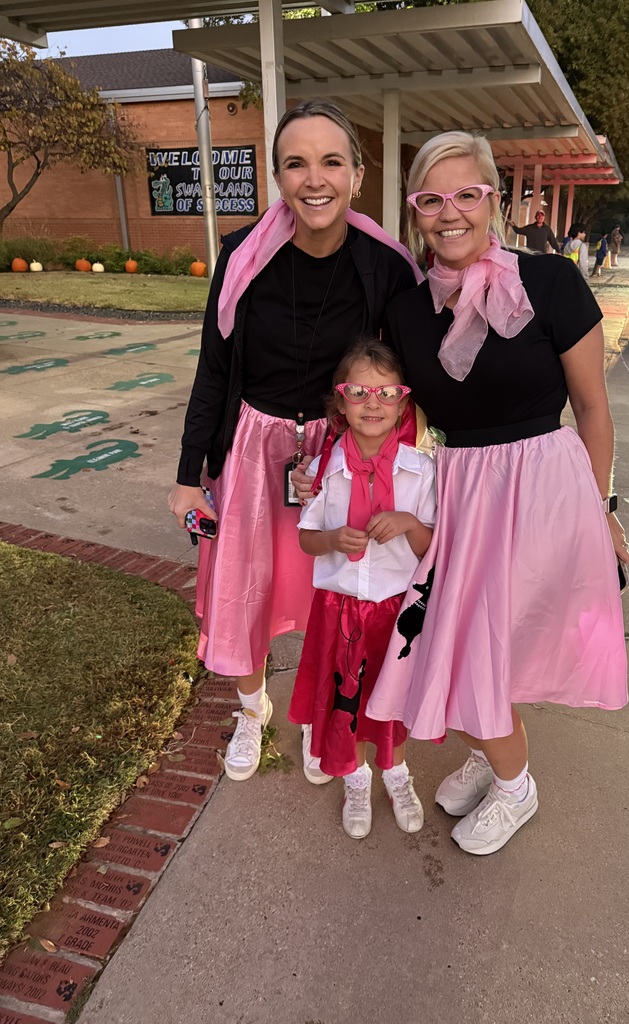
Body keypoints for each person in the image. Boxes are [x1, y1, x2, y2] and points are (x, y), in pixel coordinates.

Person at [363, 130, 629, 857]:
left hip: (546, 488)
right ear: (415, 210)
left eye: (467, 195)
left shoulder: (550, 283)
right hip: (464, 492)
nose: (450, 213)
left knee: (498, 640)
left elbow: (594, 410)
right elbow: (392, 407)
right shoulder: (406, 309)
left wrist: (602, 509)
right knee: (465, 641)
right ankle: (496, 754)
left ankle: (515, 784)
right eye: (431, 199)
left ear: (494, 201)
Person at [167, 100, 421, 785]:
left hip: (340, 455)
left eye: (332, 161)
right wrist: (191, 475)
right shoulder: (244, 256)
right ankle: (252, 712)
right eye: (296, 163)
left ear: (358, 175)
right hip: (254, 449)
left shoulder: (386, 267)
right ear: (279, 177)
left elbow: (413, 374)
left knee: (332, 599)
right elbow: (214, 370)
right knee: (243, 593)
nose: (316, 179)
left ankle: (318, 722)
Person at [288, 339, 436, 839]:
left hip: (396, 614)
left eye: (386, 393)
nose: (373, 403)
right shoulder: (323, 470)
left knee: (391, 703)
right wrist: (331, 539)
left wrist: (409, 522)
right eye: (359, 391)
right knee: (346, 702)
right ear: (340, 401)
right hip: (339, 609)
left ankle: (396, 771)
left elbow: (432, 548)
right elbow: (307, 537)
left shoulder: (421, 471)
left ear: (403, 402)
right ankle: (356, 777)